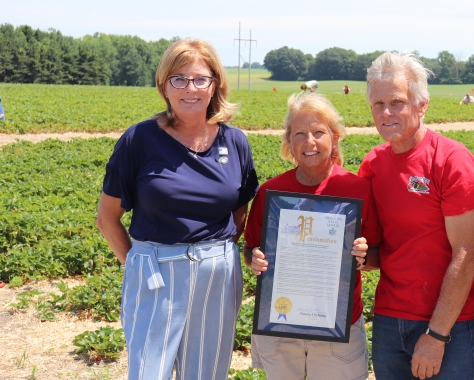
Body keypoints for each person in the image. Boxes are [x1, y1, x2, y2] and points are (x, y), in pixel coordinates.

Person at [96, 38, 259, 380]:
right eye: (179, 79)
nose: (190, 88)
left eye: (201, 79)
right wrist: (138, 262)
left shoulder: (235, 142)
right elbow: (107, 218)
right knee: (148, 372)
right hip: (155, 270)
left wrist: (214, 252)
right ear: (164, 86)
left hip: (217, 274)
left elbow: (239, 212)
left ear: (215, 85)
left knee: (206, 373)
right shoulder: (139, 140)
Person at [359, 51, 474, 380]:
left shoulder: (450, 160)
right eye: (378, 104)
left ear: (421, 105)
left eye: (397, 102)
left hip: (448, 323)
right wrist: (352, 254)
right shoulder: (372, 165)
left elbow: (465, 254)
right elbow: (376, 253)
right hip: (389, 319)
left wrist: (436, 336)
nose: (386, 112)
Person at [243, 93, 380, 380]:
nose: (310, 141)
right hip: (281, 324)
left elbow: (376, 255)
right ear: (289, 141)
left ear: (335, 137)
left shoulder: (358, 189)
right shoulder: (271, 192)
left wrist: (363, 256)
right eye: (300, 134)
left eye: (319, 132)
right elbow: (251, 246)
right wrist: (253, 259)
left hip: (337, 325)